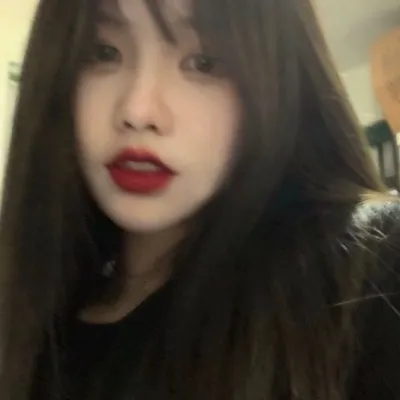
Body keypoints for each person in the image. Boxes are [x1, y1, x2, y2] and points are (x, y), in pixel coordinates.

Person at [0, 0, 400, 399]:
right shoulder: (32, 321)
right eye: (103, 52)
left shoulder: (365, 273)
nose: (137, 110)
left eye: (204, 62)